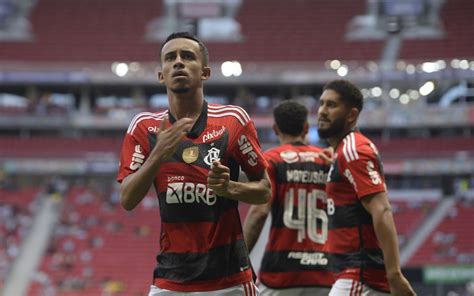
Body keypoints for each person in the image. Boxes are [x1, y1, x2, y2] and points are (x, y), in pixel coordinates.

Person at [117, 32, 271, 295]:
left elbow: (265, 190)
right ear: (161, 75)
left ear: (205, 73)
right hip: (170, 280)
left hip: (230, 281)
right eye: (170, 58)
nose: (178, 62)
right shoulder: (143, 126)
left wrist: (230, 188)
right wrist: (157, 156)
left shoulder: (233, 120)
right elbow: (128, 200)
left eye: (187, 57)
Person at [317, 79, 416, 296]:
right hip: (356, 274)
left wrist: (394, 274)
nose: (322, 111)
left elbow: (382, 209)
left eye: (331, 105)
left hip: (360, 274)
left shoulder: (354, 150)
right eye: (322, 103)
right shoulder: (344, 152)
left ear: (351, 115)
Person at [243, 100, 334, 296]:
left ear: (276, 129)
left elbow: (259, 213)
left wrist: (239, 259)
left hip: (281, 274)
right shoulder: (329, 160)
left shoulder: (272, 159)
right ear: (306, 128)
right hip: (327, 271)